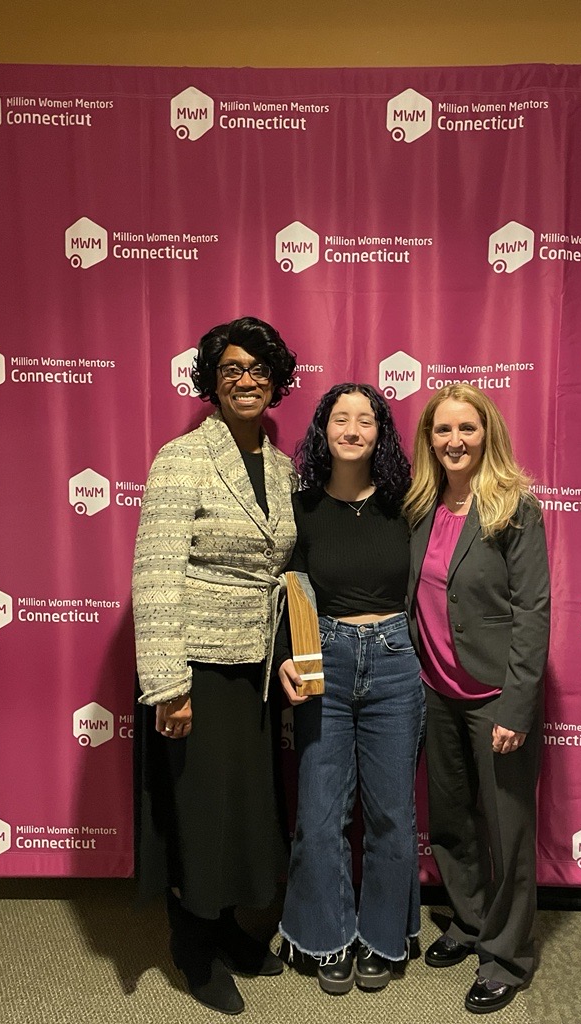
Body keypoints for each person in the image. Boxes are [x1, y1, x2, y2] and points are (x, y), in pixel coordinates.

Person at [132, 316, 298, 1016]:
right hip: (197, 668)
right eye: (231, 369)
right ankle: (192, 944)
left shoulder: (284, 466)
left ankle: (229, 925)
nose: (246, 381)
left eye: (258, 369)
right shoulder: (181, 458)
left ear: (276, 381)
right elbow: (155, 573)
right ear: (211, 381)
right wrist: (168, 685)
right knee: (200, 813)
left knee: (244, 811)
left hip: (257, 668)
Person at [404, 383, 550, 1015]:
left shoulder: (514, 505)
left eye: (467, 429)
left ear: (486, 433)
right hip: (436, 689)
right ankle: (466, 925)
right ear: (428, 440)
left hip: (495, 696)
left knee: (507, 833)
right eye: (443, 430)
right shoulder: (419, 504)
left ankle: (508, 955)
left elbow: (533, 611)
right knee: (452, 820)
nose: (454, 441)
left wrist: (517, 705)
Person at [276, 383, 425, 996]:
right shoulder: (300, 506)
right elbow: (281, 589)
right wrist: (287, 655)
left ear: (380, 432)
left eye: (366, 419)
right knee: (318, 814)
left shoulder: (406, 504)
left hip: (394, 663)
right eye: (341, 418)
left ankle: (385, 937)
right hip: (324, 664)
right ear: (323, 429)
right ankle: (324, 935)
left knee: (392, 816)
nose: (353, 429)